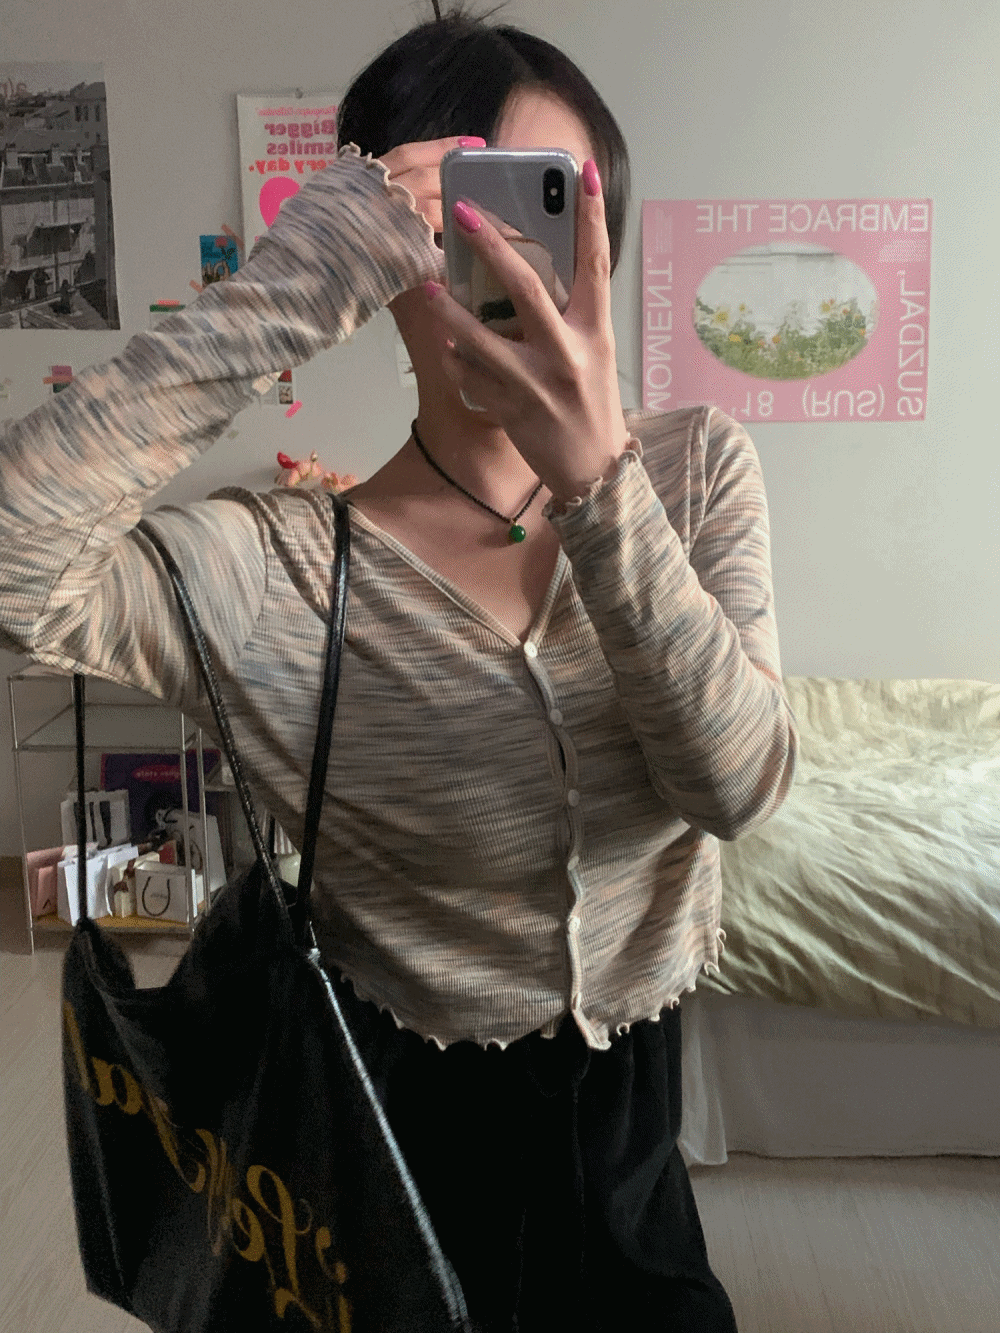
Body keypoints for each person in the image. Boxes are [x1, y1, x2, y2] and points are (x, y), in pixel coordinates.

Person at [0, 8, 796, 1331]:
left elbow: (738, 787)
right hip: (378, 1124)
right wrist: (285, 294)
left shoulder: (693, 470)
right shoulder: (279, 568)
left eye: (539, 211)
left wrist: (599, 483)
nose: (505, 265)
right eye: (451, 217)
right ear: (373, 254)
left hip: (635, 1122)